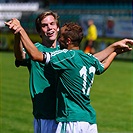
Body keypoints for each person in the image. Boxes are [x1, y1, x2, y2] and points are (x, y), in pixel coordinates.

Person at [5, 20, 133, 132]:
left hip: (71, 119)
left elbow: (36, 55)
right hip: (89, 119)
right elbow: (102, 66)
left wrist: (21, 30)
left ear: (68, 40)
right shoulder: (86, 58)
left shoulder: (66, 56)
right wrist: (115, 51)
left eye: (61, 36)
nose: (58, 38)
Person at [6, 11, 60, 133]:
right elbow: (20, 56)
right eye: (45, 25)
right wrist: (17, 34)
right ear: (39, 31)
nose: (49, 27)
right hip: (45, 115)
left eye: (52, 24)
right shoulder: (34, 50)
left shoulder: (66, 51)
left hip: (66, 116)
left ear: (58, 27)